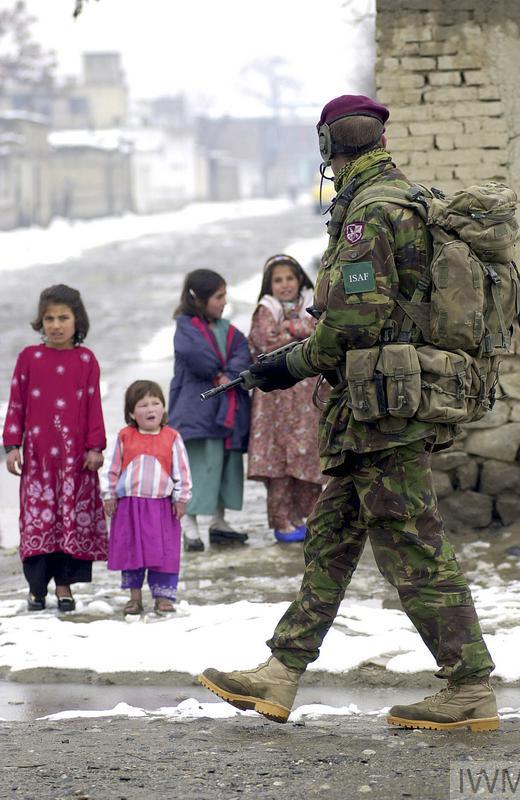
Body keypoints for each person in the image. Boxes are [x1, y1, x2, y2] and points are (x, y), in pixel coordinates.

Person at [199, 95, 498, 731]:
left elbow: (357, 321)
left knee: (413, 549)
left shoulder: (371, 212)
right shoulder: (396, 198)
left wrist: (290, 363)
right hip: (371, 411)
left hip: (383, 415)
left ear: (331, 147)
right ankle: (282, 671)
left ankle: (469, 685)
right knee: (331, 541)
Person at [2, 284, 107, 612]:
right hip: (38, 465)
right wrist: (11, 446)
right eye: (49, 318)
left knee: (68, 524)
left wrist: (96, 447)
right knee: (37, 523)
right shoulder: (29, 358)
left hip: (75, 465)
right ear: (40, 321)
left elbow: (93, 406)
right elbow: (16, 404)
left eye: (63, 317)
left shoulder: (86, 360)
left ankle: (64, 587)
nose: (56, 324)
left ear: (78, 320)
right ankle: (36, 589)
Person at [168, 269, 251, 552]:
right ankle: (189, 524)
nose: (224, 302)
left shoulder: (228, 329)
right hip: (197, 410)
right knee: (198, 467)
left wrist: (230, 372)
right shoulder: (185, 326)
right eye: (218, 297)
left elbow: (243, 350)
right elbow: (196, 356)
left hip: (225, 410)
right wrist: (223, 372)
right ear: (199, 299)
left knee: (225, 464)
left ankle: (219, 522)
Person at [247, 254, 324, 543]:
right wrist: (299, 332)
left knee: (307, 456)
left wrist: (289, 328)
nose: (285, 285)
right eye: (278, 280)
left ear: (300, 279)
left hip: (306, 400)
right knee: (279, 460)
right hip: (275, 401)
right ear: (269, 284)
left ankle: (310, 518)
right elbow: (265, 340)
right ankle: (283, 522)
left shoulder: (312, 303)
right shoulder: (265, 309)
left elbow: (319, 333)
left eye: (290, 278)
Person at [101, 380, 192, 615]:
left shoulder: (172, 437)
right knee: (132, 550)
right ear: (131, 412)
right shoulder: (124, 437)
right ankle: (134, 597)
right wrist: (109, 494)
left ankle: (163, 596)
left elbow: (182, 471)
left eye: (155, 403)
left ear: (163, 408)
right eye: (142, 405)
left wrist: (181, 498)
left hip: (162, 506)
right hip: (129, 506)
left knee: (164, 551)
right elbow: (111, 468)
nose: (150, 409)